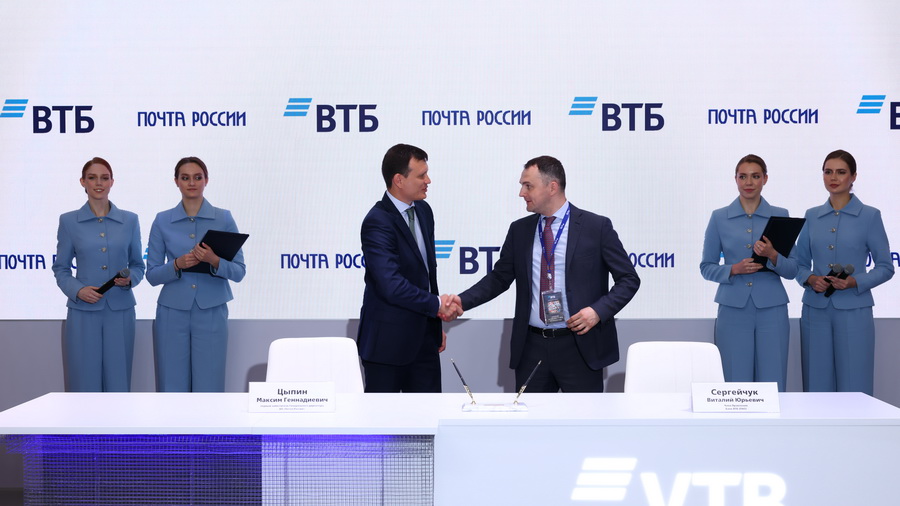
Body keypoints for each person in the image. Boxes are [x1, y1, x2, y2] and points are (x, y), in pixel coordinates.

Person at [453, 155, 640, 392]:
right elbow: (499, 278)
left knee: (583, 416)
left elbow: (629, 279)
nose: (521, 193)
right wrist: (460, 302)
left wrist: (597, 312)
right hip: (532, 348)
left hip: (580, 347)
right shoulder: (520, 230)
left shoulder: (596, 227)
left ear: (552, 187)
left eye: (528, 186)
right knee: (530, 416)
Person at [357, 144, 459, 393]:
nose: (428, 181)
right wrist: (437, 305)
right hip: (387, 346)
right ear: (399, 180)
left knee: (429, 415)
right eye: (422, 175)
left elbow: (427, 275)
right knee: (383, 417)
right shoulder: (377, 221)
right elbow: (391, 285)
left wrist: (435, 327)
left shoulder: (424, 211)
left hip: (425, 342)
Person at [794, 149, 893, 395]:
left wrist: (854, 282)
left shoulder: (870, 216)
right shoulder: (811, 216)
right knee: (816, 386)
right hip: (815, 311)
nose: (833, 177)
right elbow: (799, 263)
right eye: (828, 172)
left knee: (855, 385)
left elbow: (885, 267)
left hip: (854, 311)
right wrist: (810, 279)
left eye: (841, 172)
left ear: (853, 176)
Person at [146, 156, 246, 392]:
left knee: (209, 386)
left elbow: (239, 272)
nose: (192, 183)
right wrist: (177, 264)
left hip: (212, 310)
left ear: (206, 180)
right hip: (172, 312)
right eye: (185, 178)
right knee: (171, 385)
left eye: (197, 177)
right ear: (176, 181)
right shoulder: (162, 220)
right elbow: (152, 275)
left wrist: (214, 260)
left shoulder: (224, 218)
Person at [700, 154, 798, 391]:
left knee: (773, 382)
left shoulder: (781, 215)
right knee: (734, 383)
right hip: (733, 308)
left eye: (755, 176)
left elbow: (793, 269)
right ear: (735, 179)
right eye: (743, 176)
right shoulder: (719, 217)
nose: (749, 182)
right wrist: (734, 269)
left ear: (765, 179)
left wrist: (773, 256)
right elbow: (706, 267)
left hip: (772, 307)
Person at [52, 157, 145, 392]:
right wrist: (78, 290)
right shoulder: (68, 221)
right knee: (84, 381)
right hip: (83, 311)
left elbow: (138, 265)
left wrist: (130, 279)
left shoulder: (130, 220)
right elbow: (61, 268)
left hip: (120, 310)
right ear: (82, 182)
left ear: (112, 181)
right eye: (92, 178)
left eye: (104, 178)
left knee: (118, 381)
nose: (99, 183)